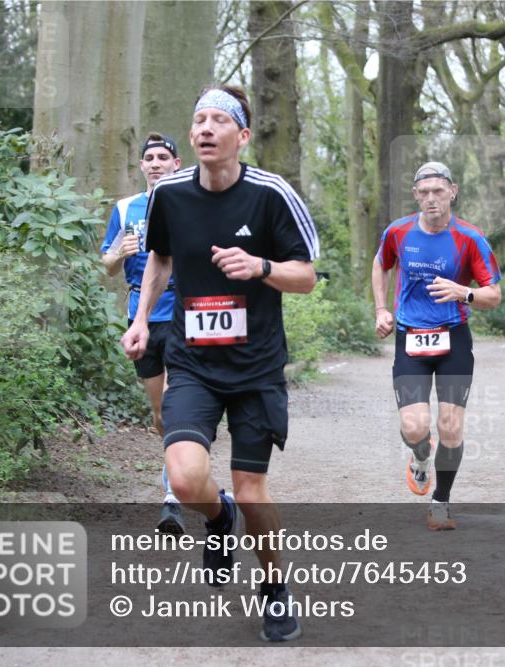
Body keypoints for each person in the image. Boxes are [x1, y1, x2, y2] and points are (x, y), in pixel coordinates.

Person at [121, 84, 319, 642]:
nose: (205, 128)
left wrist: (259, 266)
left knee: (253, 489)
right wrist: (140, 321)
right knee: (185, 480)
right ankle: (217, 517)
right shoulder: (170, 195)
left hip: (256, 367)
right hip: (192, 362)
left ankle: (276, 588)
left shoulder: (271, 194)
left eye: (218, 120)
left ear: (242, 136)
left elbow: (305, 276)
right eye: (198, 119)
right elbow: (159, 257)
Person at [372, 161, 502, 530]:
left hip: (454, 339)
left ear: (452, 192)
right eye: (424, 192)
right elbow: (381, 265)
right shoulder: (398, 232)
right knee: (415, 428)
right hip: (410, 338)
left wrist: (465, 292)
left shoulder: (470, 238)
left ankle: (441, 503)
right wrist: (382, 309)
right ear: (416, 195)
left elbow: (494, 294)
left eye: (438, 191)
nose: (431, 199)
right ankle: (420, 457)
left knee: (450, 427)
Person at [100, 132, 185, 536]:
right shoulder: (125, 208)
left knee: (174, 407)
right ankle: (178, 450)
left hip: (184, 312)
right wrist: (121, 253)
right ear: (141, 165)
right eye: (148, 157)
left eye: (162, 157)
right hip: (142, 317)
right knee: (159, 415)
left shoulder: (190, 202)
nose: (154, 163)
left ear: (176, 163)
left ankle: (173, 498)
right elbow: (107, 264)